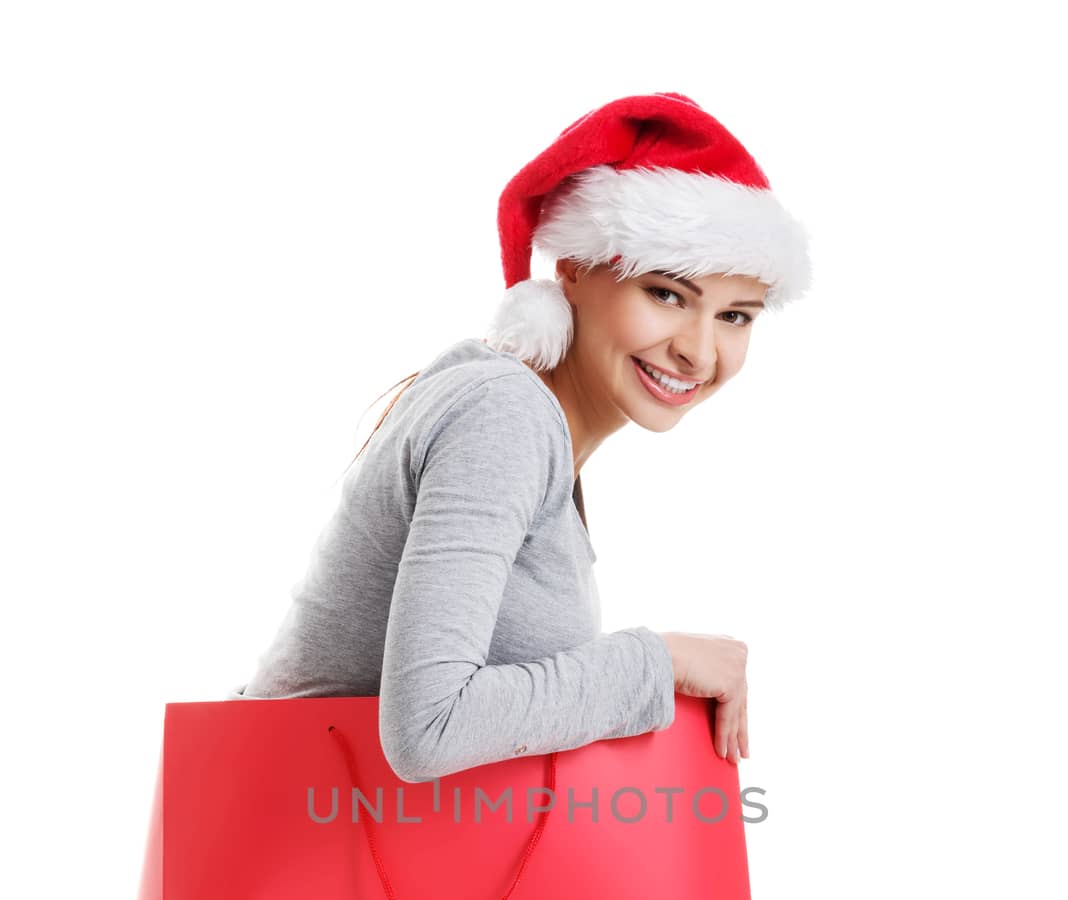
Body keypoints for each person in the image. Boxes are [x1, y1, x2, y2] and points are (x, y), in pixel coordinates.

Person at [229, 91, 812, 782]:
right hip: (297, 853)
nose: (698, 350)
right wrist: (659, 661)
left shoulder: (537, 432)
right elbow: (428, 728)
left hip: (333, 853)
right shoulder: (504, 412)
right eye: (666, 294)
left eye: (736, 316)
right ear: (571, 269)